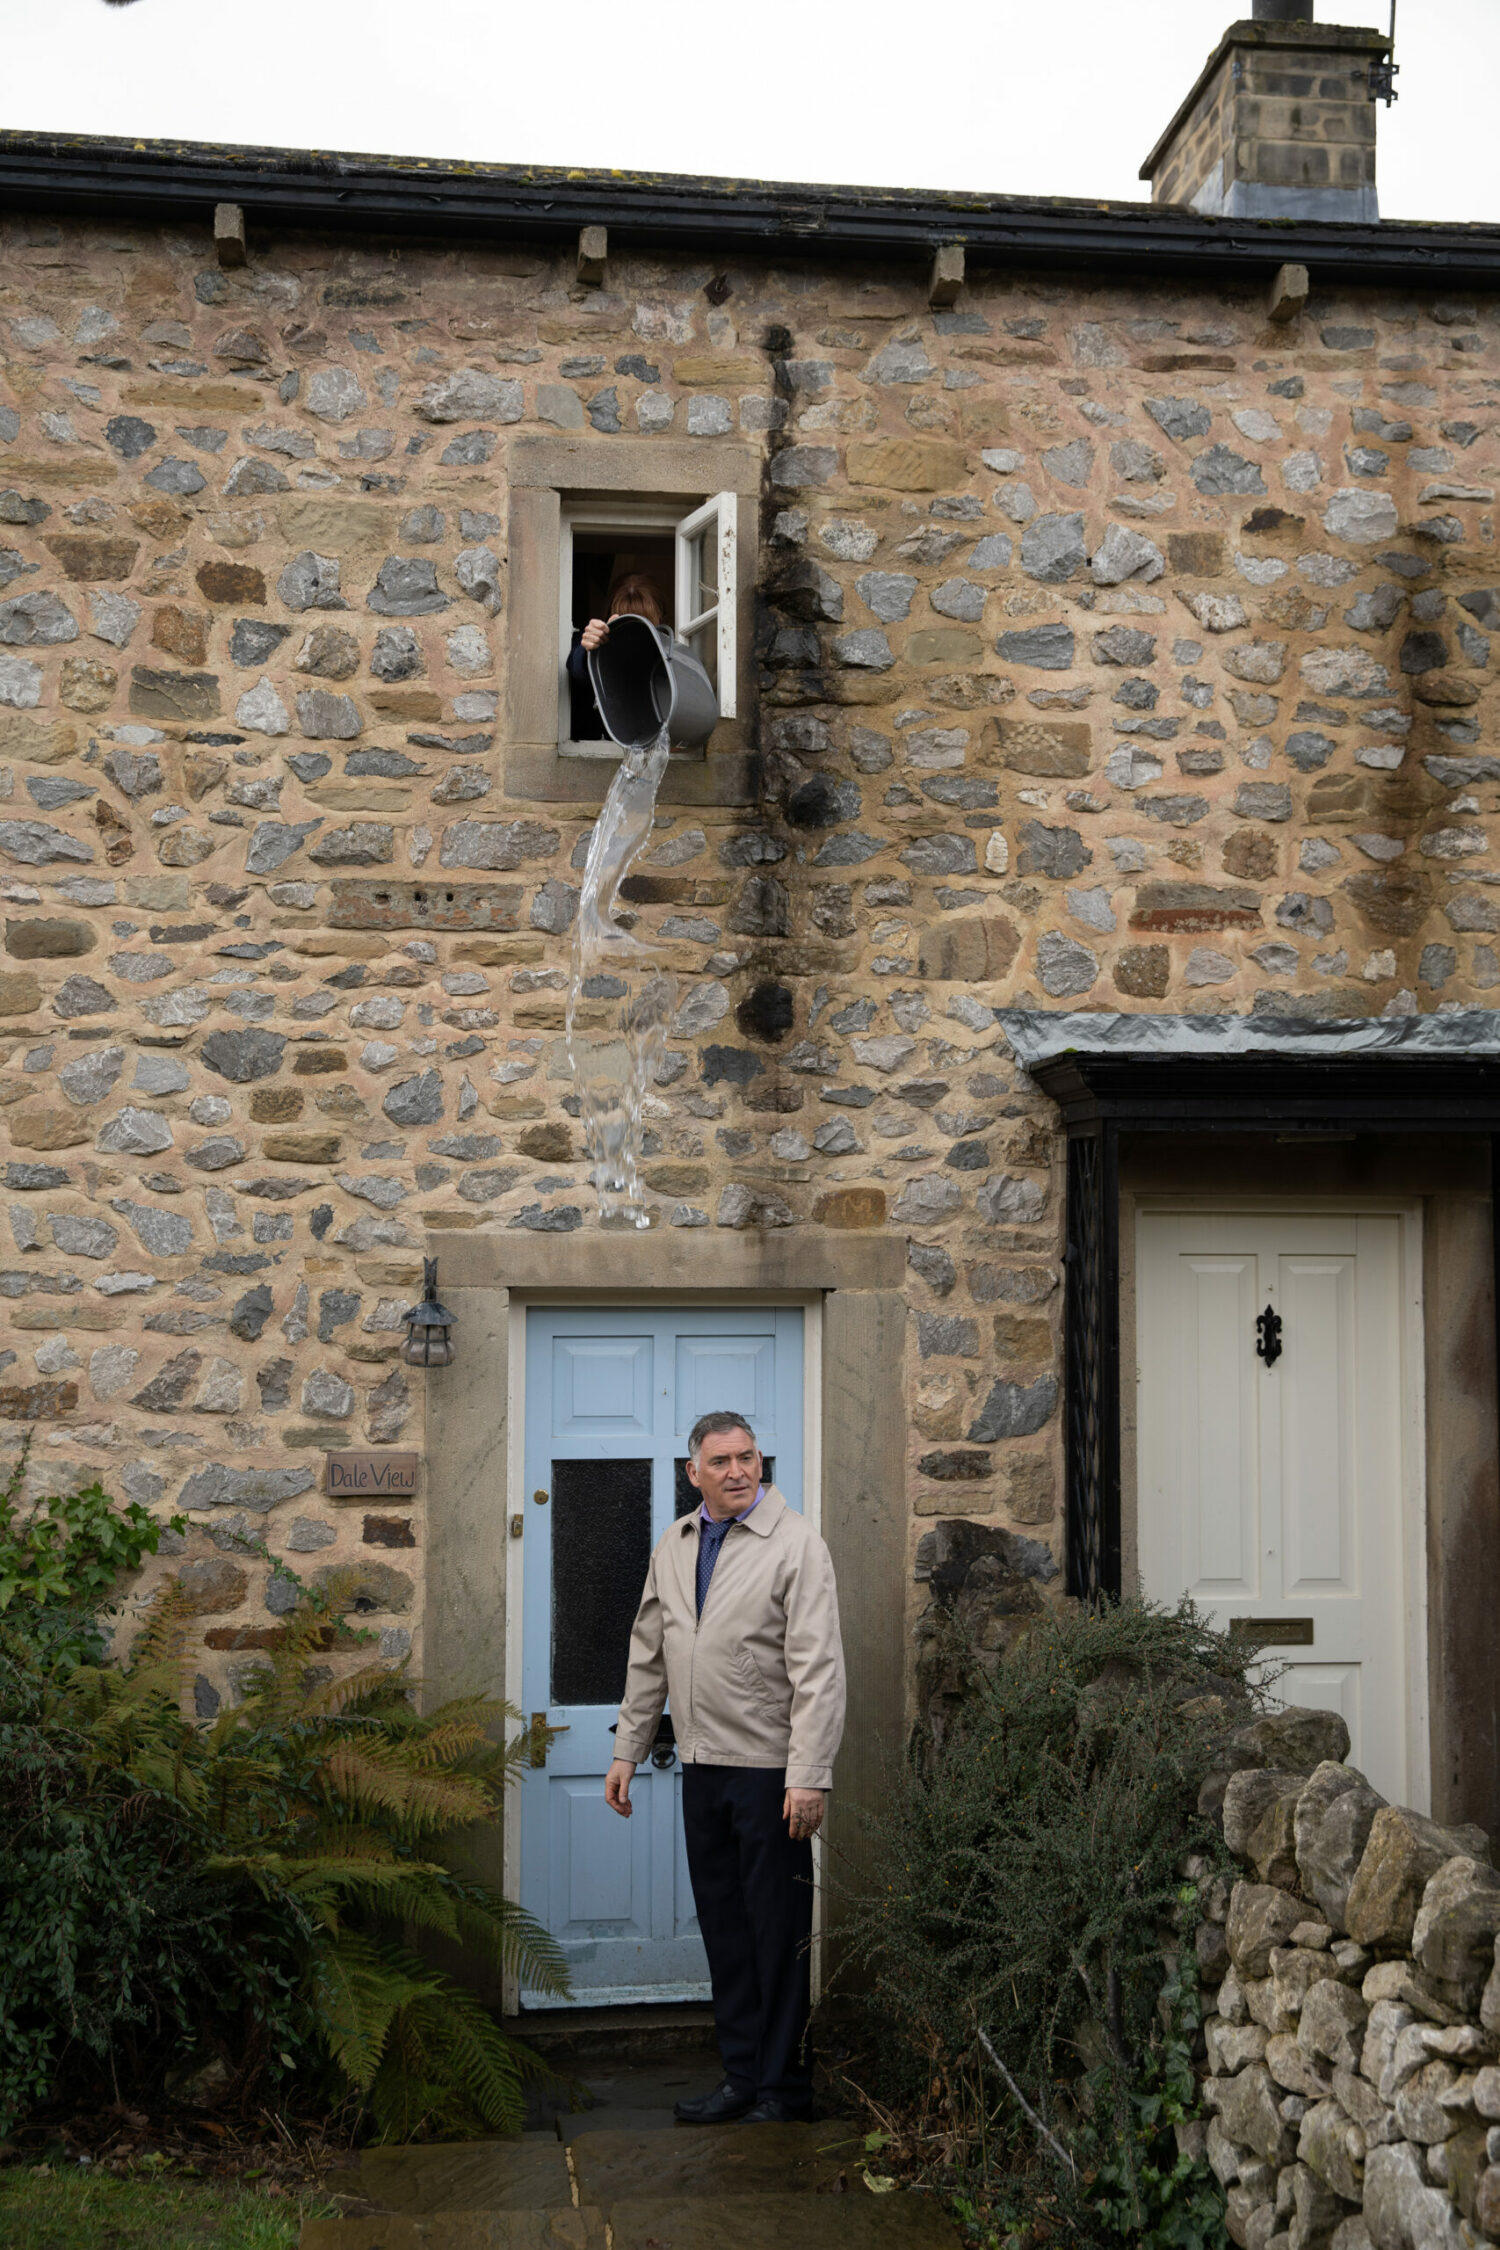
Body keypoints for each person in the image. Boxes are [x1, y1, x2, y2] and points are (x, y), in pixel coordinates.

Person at [606, 1412, 845, 2125]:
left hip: (771, 1773)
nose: (739, 1470)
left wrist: (809, 1774)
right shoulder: (675, 1544)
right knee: (725, 1929)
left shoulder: (797, 1544)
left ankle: (783, 2089)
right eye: (723, 1461)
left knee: (775, 1934)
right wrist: (627, 1749)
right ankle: (741, 2076)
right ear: (694, 1473)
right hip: (701, 1769)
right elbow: (649, 1652)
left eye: (749, 1457)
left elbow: (819, 1669)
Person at [566, 570, 666, 741]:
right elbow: (577, 667)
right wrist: (593, 649)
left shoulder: (665, 655)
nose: (634, 635)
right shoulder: (595, 643)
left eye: (643, 625)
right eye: (627, 624)